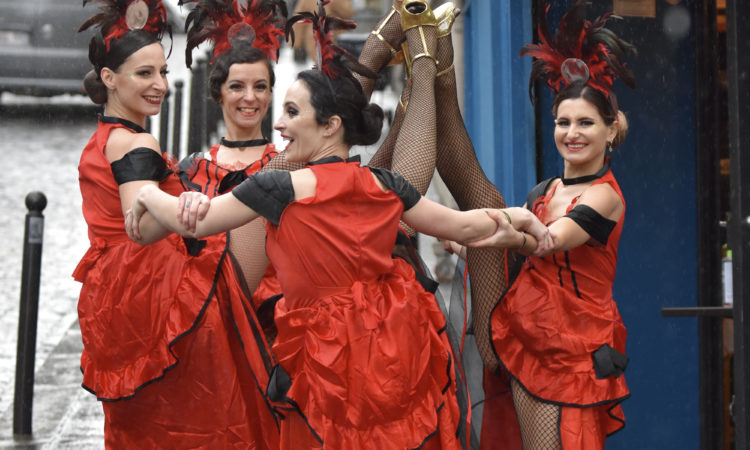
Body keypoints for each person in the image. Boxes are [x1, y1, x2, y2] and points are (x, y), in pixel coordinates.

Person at [125, 2, 552, 447]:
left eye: (289, 111)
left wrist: (147, 193)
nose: (278, 121)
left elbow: (196, 224)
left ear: (328, 126)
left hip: (327, 352)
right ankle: (420, 47)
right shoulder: (380, 183)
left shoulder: (277, 186)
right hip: (387, 342)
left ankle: (415, 45)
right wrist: (516, 218)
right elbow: (463, 226)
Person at [74, 0, 278, 447]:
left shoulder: (103, 138)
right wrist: (173, 204)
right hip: (154, 288)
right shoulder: (136, 141)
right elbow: (140, 226)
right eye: (144, 73)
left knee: (145, 423)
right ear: (109, 78)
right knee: (205, 413)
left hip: (111, 293)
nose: (160, 85)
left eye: (163, 72)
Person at [463, 3, 637, 448]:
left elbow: (548, 242)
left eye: (586, 123)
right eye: (563, 121)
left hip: (574, 350)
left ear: (611, 130)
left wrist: (496, 227)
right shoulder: (544, 190)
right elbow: (523, 253)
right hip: (527, 335)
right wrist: (472, 242)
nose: (571, 133)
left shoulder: (605, 195)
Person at [177, 0, 287, 309]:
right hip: (206, 316)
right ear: (218, 93)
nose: (250, 98)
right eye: (237, 86)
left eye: (261, 87)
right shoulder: (190, 171)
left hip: (273, 320)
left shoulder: (288, 166)